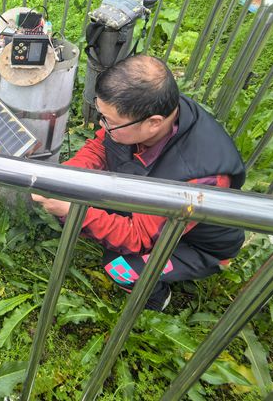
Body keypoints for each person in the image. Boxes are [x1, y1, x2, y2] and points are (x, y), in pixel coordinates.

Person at [32, 55, 245, 311]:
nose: (103, 126)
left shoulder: (200, 179)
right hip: (145, 206)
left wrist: (72, 211)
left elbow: (139, 237)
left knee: (119, 267)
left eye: (109, 121)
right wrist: (66, 177)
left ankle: (156, 299)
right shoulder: (150, 112)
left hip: (196, 244)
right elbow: (101, 146)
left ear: (153, 123)